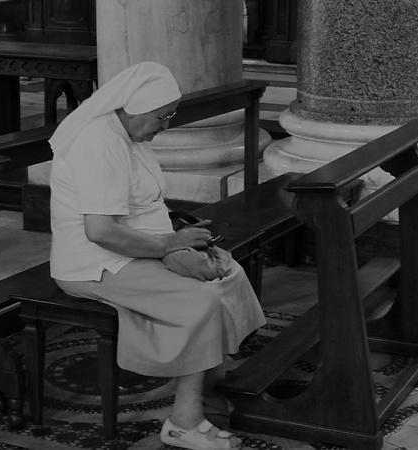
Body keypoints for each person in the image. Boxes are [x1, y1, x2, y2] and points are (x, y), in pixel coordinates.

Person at [47, 61, 266, 450]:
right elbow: (100, 232)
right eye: (162, 116)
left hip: (133, 248)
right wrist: (170, 246)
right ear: (134, 109)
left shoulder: (129, 136)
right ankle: (184, 422)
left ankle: (211, 392)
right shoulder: (99, 142)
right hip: (94, 262)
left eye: (170, 115)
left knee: (225, 273)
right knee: (199, 300)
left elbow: (143, 204)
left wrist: (179, 239)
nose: (166, 125)